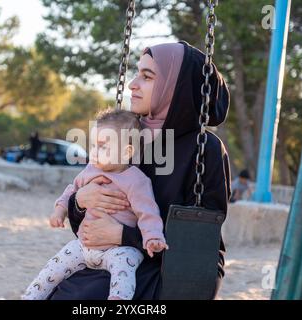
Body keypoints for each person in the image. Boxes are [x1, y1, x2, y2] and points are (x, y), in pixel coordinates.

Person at [47, 41, 231, 300]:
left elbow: (198, 244)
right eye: (136, 73)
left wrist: (125, 235)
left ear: (174, 88)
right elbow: (88, 229)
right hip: (116, 255)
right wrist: (80, 202)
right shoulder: (128, 136)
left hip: (176, 269)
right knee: (61, 290)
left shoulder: (204, 148)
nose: (133, 84)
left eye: (147, 76)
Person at [22, 109, 168, 300]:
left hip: (119, 249)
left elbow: (147, 213)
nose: (95, 152)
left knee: (124, 270)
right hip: (84, 246)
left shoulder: (136, 180)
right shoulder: (90, 170)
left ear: (127, 151)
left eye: (103, 146)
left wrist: (152, 237)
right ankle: (32, 296)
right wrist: (60, 210)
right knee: (54, 266)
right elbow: (71, 191)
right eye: (93, 145)